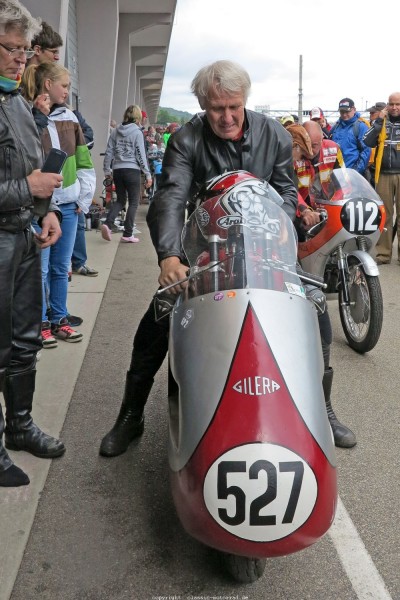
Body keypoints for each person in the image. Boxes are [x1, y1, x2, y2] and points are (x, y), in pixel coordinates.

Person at [99, 59, 352, 458]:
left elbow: (288, 191)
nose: (227, 116)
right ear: (203, 105)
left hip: (267, 247)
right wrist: (169, 256)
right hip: (208, 245)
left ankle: (323, 408)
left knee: (315, 307)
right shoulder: (185, 138)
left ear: (244, 100)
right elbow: (171, 196)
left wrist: (274, 223)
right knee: (159, 313)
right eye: (217, 108)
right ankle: (130, 415)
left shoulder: (274, 135)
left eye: (234, 106)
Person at [0, 0, 66, 487]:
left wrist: (49, 213)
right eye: (13, 49)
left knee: (25, 342)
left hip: (23, 236)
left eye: (26, 51)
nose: (21, 60)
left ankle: (19, 428)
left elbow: (37, 170)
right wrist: (30, 193)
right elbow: (27, 181)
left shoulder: (17, 104)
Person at [287, 121, 356, 448]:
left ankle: (323, 408)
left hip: (299, 235)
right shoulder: (268, 166)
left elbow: (343, 179)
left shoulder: (331, 150)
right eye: (299, 151)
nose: (305, 156)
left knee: (317, 305)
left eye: (302, 151)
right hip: (256, 257)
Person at [22, 62, 96, 346]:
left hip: (67, 204)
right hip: (39, 206)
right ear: (47, 85)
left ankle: (59, 319)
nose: (67, 91)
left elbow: (83, 159)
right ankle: (40, 321)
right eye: (63, 85)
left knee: (61, 266)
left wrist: (83, 197)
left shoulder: (71, 118)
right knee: (39, 268)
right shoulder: (27, 116)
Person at [102, 105, 152, 243]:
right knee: (134, 202)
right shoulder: (137, 132)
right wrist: (147, 174)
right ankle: (128, 233)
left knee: (120, 200)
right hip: (132, 170)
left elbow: (109, 151)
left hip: (118, 170)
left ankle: (107, 223)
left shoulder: (116, 131)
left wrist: (107, 170)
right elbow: (141, 155)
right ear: (138, 118)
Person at [363, 93, 400, 264]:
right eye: (391, 104)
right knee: (385, 215)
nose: (394, 107)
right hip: (383, 174)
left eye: (397, 104)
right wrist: (378, 122)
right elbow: (367, 141)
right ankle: (384, 254)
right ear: (387, 106)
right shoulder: (380, 122)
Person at [330, 98, 371, 176]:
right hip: (336, 175)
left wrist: (355, 172)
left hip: (353, 175)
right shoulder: (335, 127)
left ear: (354, 109)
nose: (344, 115)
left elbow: (365, 152)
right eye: (342, 112)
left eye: (347, 111)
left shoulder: (361, 127)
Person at [365, 102, 386, 188]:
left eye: (373, 112)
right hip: (371, 165)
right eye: (370, 112)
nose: (370, 114)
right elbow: (366, 141)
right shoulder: (372, 125)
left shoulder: (386, 126)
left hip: (383, 167)